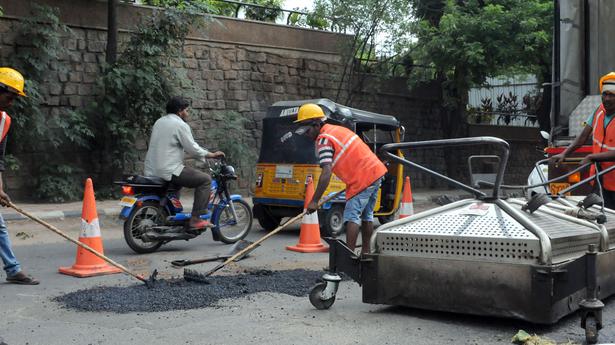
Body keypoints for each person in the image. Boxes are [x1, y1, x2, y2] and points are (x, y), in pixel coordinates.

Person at [295, 103, 387, 255]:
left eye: (308, 130)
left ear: (317, 124)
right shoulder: (338, 130)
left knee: (352, 216)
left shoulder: (323, 140)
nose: (306, 134)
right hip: (375, 172)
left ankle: (348, 258)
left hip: (362, 178)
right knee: (367, 215)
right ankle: (366, 254)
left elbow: (326, 173)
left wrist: (314, 201)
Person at [144, 96, 225, 229]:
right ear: (180, 111)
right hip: (169, 169)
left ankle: (171, 216)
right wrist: (211, 154)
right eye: (186, 110)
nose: (187, 113)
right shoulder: (180, 125)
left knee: (177, 186)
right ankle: (196, 218)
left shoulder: (159, 122)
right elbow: (192, 148)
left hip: (152, 169)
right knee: (205, 179)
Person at [551, 72, 615, 208]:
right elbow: (582, 137)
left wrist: (592, 157)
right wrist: (564, 153)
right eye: (605, 94)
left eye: (612, 95)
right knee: (600, 215)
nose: (607, 99)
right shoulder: (599, 111)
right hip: (600, 178)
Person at [0, 67, 39, 284]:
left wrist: (0, 189)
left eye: (15, 98)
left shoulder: (4, 121)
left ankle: (13, 270)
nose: (11, 102)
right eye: (9, 96)